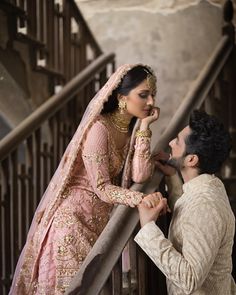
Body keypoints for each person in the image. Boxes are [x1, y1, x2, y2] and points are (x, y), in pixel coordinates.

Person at [10, 64, 162, 294]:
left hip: (97, 222)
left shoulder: (129, 130)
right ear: (122, 97)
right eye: (143, 95)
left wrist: (144, 127)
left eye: (153, 95)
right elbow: (101, 187)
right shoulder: (99, 129)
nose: (151, 101)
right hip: (71, 223)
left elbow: (140, 174)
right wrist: (140, 198)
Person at [134, 110, 236, 294]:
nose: (171, 143)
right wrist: (173, 175)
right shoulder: (208, 187)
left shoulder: (205, 206)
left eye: (178, 141)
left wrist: (148, 227)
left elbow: (189, 279)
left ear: (191, 159)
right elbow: (191, 214)